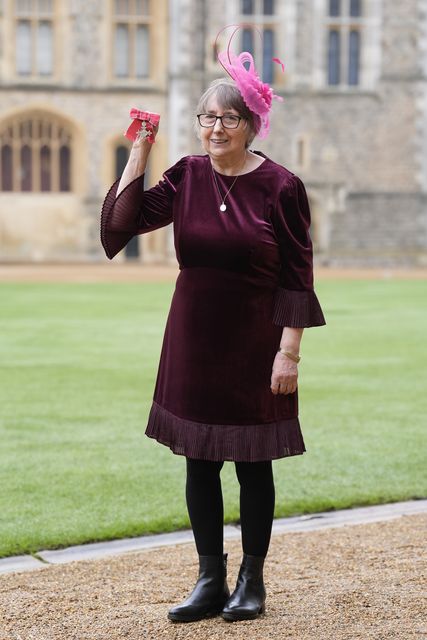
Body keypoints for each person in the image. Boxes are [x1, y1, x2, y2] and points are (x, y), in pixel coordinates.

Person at [100, 33, 326, 624]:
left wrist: (290, 352)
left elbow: (299, 274)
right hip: (193, 338)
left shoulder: (282, 186)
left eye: (229, 118)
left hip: (256, 343)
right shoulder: (186, 176)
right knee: (198, 461)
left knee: (253, 464)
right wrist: (138, 153)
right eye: (207, 117)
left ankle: (252, 581)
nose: (217, 128)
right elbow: (117, 230)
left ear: (252, 123)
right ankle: (209, 579)